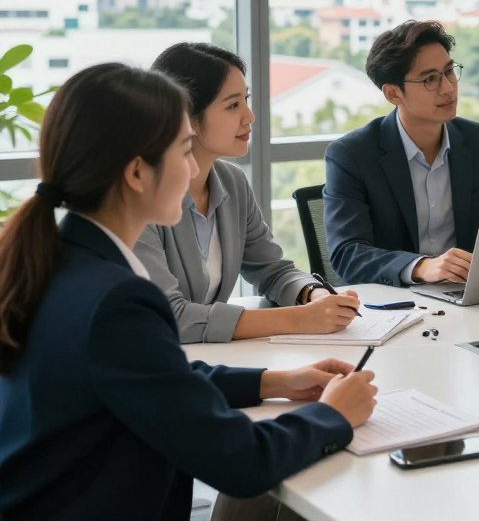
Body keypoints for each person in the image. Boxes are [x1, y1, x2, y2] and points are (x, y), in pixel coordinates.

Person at [0, 63, 377, 520]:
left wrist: (271, 381)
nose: (194, 166)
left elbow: (152, 376)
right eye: (183, 151)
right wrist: (334, 415)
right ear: (138, 173)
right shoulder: (115, 300)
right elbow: (242, 461)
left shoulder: (58, 259)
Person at [134, 43, 362, 343]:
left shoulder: (232, 182)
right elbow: (170, 316)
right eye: (232, 105)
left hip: (210, 361)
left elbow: (272, 270)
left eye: (246, 100)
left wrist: (313, 294)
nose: (249, 116)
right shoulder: (140, 197)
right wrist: (298, 319)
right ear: (187, 115)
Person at [325, 20, 479, 286]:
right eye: (430, 79)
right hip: (394, 303)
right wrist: (421, 267)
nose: (448, 88)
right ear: (393, 93)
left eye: (449, 72)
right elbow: (348, 253)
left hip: (465, 295)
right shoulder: (352, 155)